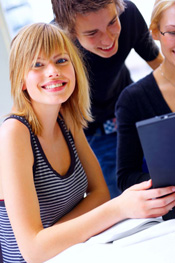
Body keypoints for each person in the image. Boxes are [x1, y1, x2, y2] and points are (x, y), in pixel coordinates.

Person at [1, 22, 175, 263]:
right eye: (38, 65)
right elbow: (32, 251)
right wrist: (119, 208)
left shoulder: (67, 118)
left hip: (71, 252)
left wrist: (49, 236)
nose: (53, 71)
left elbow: (100, 194)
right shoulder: (14, 133)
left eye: (61, 60)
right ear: (21, 80)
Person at [51, 0, 163, 198]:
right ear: (69, 31)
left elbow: (162, 70)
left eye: (112, 22)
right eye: (92, 33)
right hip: (92, 136)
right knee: (127, 211)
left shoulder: (127, 14)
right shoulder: (55, 45)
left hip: (135, 120)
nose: (108, 39)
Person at [116, 0, 175, 219]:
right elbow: (126, 178)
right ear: (155, 32)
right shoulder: (133, 100)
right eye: (172, 32)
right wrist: (166, 183)